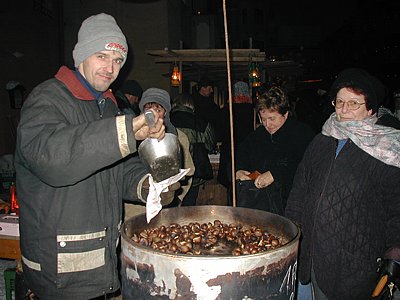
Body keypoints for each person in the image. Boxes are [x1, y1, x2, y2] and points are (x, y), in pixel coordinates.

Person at [14, 13, 179, 299]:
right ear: (81, 56)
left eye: (117, 61)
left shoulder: (106, 105)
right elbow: (54, 158)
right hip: (60, 269)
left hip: (98, 260)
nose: (110, 68)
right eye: (102, 56)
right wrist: (127, 130)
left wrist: (150, 186)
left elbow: (117, 169)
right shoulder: (48, 98)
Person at [285, 68, 400, 300]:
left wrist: (395, 254)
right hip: (315, 256)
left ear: (370, 108)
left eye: (354, 103)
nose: (344, 109)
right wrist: (289, 234)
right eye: (339, 102)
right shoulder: (321, 141)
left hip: (358, 262)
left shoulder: (387, 150)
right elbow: (299, 192)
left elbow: (396, 209)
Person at [235, 86, 315, 215]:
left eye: (272, 118)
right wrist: (238, 170)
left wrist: (276, 174)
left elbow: (306, 166)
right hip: (260, 206)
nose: (267, 124)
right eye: (263, 119)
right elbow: (239, 155)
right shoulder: (257, 135)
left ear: (285, 114)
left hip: (291, 206)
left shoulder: (302, 134)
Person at [171, 93, 216, 206]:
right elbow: (210, 146)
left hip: (170, 175)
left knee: (170, 211)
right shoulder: (202, 123)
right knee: (188, 209)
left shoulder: (165, 121)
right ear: (191, 105)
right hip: (193, 174)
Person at [217, 81, 255, 188]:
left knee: (230, 180)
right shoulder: (250, 110)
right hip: (246, 148)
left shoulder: (227, 110)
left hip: (229, 148)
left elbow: (221, 131)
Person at [193, 77, 223, 143]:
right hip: (202, 137)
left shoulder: (210, 103)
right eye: (209, 88)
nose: (212, 90)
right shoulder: (196, 103)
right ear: (203, 88)